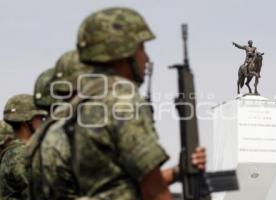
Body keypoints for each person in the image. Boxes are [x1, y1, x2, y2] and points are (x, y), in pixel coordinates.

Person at [29, 8, 208, 200]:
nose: (146, 58)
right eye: (141, 48)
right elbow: (154, 192)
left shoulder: (75, 109)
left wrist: (178, 171)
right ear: (125, 52)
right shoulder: (120, 98)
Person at [0, 94, 48, 199]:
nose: (43, 122)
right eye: (40, 118)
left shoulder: (18, 150)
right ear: (27, 122)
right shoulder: (21, 155)